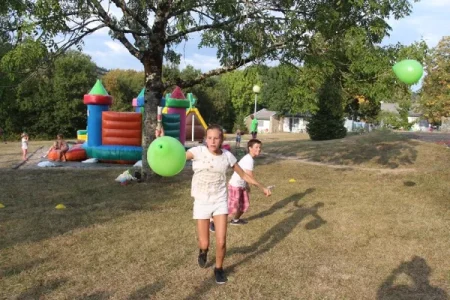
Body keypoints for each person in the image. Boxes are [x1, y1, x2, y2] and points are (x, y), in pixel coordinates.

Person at [185, 124, 271, 284]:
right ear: (205, 139)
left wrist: (261, 187)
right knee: (204, 242)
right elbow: (178, 157)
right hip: (201, 201)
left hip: (219, 201)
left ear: (222, 139)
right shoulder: (197, 152)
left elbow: (244, 174)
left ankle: (218, 268)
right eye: (209, 138)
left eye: (216, 138)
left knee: (222, 240)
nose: (212, 141)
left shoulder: (227, 156)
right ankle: (203, 251)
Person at [228, 138, 265, 225]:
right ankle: (212, 221)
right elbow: (250, 177)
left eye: (260, 147)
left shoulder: (250, 159)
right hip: (235, 186)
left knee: (244, 205)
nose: (258, 149)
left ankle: (235, 220)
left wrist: (246, 186)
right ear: (250, 148)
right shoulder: (249, 159)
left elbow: (246, 176)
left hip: (242, 185)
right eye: (256, 147)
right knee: (231, 208)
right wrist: (263, 188)